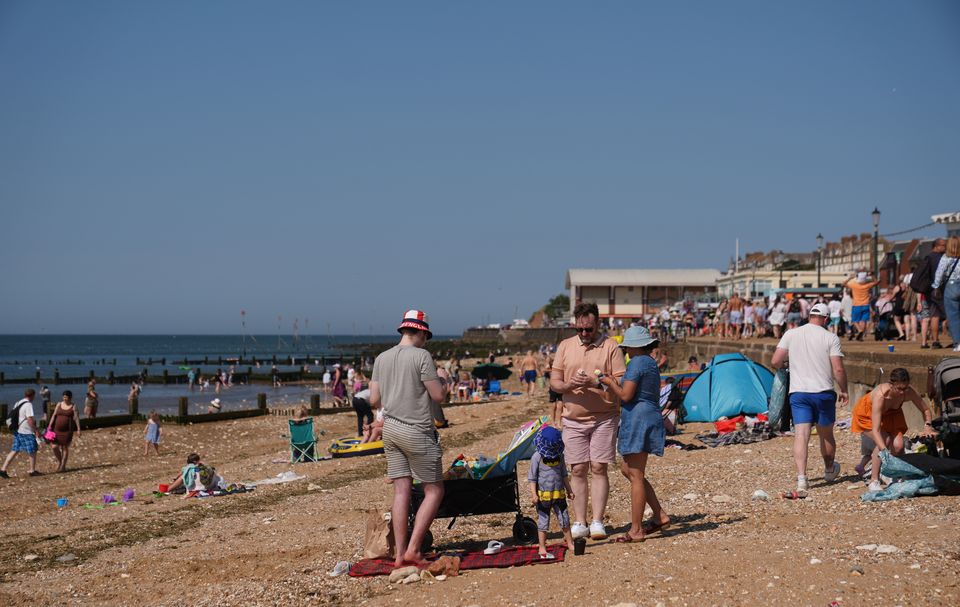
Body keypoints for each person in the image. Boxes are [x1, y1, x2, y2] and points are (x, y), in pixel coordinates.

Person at [369, 309, 448, 567]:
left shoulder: (382, 358)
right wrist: (443, 381)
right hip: (416, 430)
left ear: (403, 329)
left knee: (401, 490)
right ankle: (414, 549)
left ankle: (400, 554)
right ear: (422, 332)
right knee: (434, 489)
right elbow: (438, 396)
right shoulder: (422, 356)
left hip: (390, 429)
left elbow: (373, 400)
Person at [549, 302, 626, 541]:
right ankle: (580, 521)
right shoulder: (565, 346)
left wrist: (597, 383)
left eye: (588, 329)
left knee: (599, 467)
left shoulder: (611, 346)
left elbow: (620, 383)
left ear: (598, 325)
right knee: (578, 469)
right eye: (580, 329)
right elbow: (555, 382)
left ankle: (597, 522)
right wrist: (570, 384)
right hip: (572, 419)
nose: (584, 334)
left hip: (605, 417)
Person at [599, 326, 670, 543]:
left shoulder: (637, 362)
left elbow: (627, 395)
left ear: (634, 346)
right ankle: (659, 515)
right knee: (627, 468)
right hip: (647, 417)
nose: (626, 351)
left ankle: (636, 529)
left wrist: (609, 382)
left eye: (627, 347)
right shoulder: (648, 362)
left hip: (639, 419)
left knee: (636, 474)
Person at [771, 302, 849, 492]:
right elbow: (838, 368)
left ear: (810, 316)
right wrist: (844, 390)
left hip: (799, 393)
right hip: (823, 393)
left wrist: (783, 368)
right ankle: (830, 470)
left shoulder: (791, 334)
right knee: (826, 435)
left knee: (801, 435)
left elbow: (775, 361)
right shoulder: (830, 337)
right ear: (826, 319)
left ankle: (802, 479)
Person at [851, 368, 936, 492]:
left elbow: (925, 410)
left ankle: (899, 474)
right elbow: (876, 430)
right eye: (899, 389)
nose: (902, 392)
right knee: (884, 440)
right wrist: (885, 452)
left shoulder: (909, 392)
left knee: (899, 446)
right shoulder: (881, 395)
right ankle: (874, 480)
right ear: (891, 385)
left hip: (892, 414)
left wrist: (928, 425)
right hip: (867, 414)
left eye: (905, 388)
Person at [527, 425, 576, 559]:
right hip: (543, 497)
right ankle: (542, 546)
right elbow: (532, 478)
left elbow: (564, 475)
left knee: (564, 519)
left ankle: (570, 542)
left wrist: (570, 490)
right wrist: (534, 494)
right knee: (543, 522)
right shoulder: (536, 457)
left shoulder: (560, 456)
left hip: (559, 495)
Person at [1, 389, 42, 478]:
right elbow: (30, 420)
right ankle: (32, 470)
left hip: (17, 430)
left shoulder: (18, 402)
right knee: (32, 450)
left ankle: (3, 469)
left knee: (15, 450)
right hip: (26, 431)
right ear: (33, 395)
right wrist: (36, 430)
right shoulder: (28, 404)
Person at [932, 235, 960, 352]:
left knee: (953, 316)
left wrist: (936, 287)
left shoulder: (945, 258)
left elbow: (939, 273)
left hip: (951, 286)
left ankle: (958, 343)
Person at [918, 238, 947, 348]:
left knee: (934, 316)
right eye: (943, 245)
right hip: (938, 290)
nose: (945, 248)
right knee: (939, 315)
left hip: (929, 291)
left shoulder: (928, 257)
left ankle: (934, 341)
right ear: (936, 246)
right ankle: (937, 341)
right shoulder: (941, 258)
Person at [47, 390, 81, 472]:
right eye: (64, 397)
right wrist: (49, 425)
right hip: (56, 429)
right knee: (54, 447)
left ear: (70, 398)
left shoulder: (73, 406)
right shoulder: (59, 404)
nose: (65, 398)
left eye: (66, 397)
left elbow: (76, 418)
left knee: (65, 448)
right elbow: (54, 415)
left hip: (67, 430)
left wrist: (78, 429)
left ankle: (62, 466)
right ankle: (60, 462)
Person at [845, 270, 880, 341]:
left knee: (854, 320)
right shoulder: (867, 285)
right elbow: (877, 282)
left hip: (856, 305)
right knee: (863, 320)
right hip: (866, 305)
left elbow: (844, 283)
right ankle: (861, 336)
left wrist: (850, 278)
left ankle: (860, 331)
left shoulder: (854, 285)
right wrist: (872, 275)